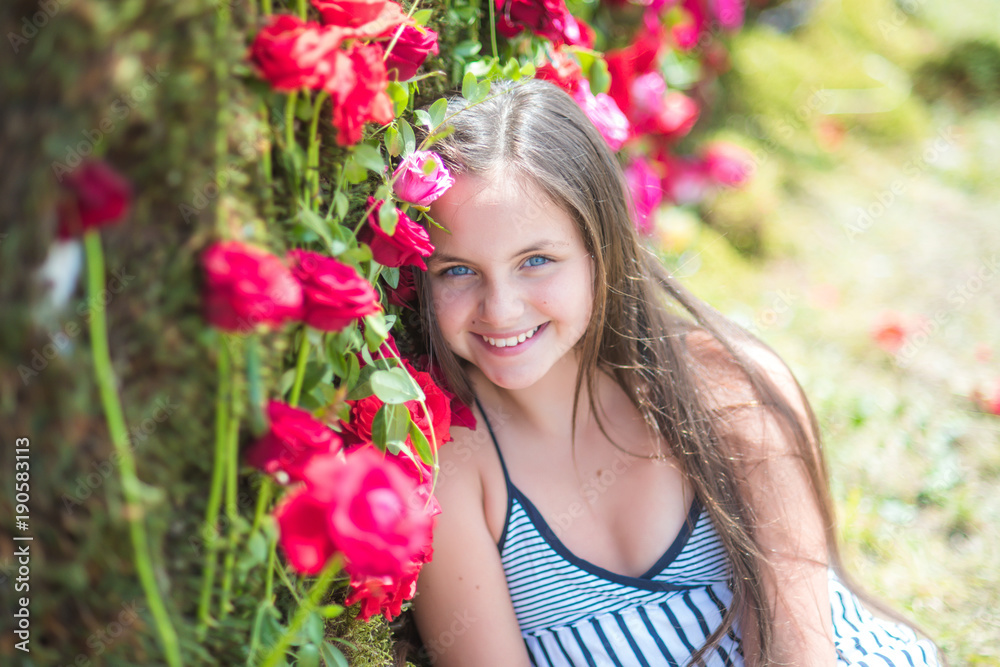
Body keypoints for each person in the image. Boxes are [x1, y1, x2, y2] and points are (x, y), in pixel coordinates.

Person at [405, 78, 941, 666]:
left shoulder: (725, 387)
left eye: (536, 260)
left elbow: (799, 653)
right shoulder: (456, 468)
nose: (501, 308)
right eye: (457, 271)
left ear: (600, 252)